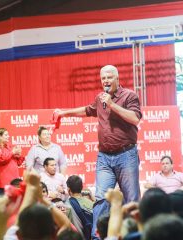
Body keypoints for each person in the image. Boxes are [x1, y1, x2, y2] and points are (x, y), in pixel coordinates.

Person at [55, 64, 142, 239]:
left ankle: (135, 234)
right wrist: (64, 113)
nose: (106, 81)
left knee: (131, 199)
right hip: (104, 157)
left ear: (117, 79)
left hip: (126, 155)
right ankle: (97, 236)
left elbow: (134, 118)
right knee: (101, 199)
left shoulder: (129, 95)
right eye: (103, 78)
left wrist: (111, 104)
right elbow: (87, 110)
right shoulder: (100, 98)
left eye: (109, 77)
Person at [0, 128, 24, 195]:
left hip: (13, 183)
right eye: (6, 135)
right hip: (0, 185)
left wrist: (19, 154)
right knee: (0, 205)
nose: (8, 136)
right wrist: (13, 152)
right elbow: (1, 159)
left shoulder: (9, 147)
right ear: (0, 136)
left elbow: (19, 163)